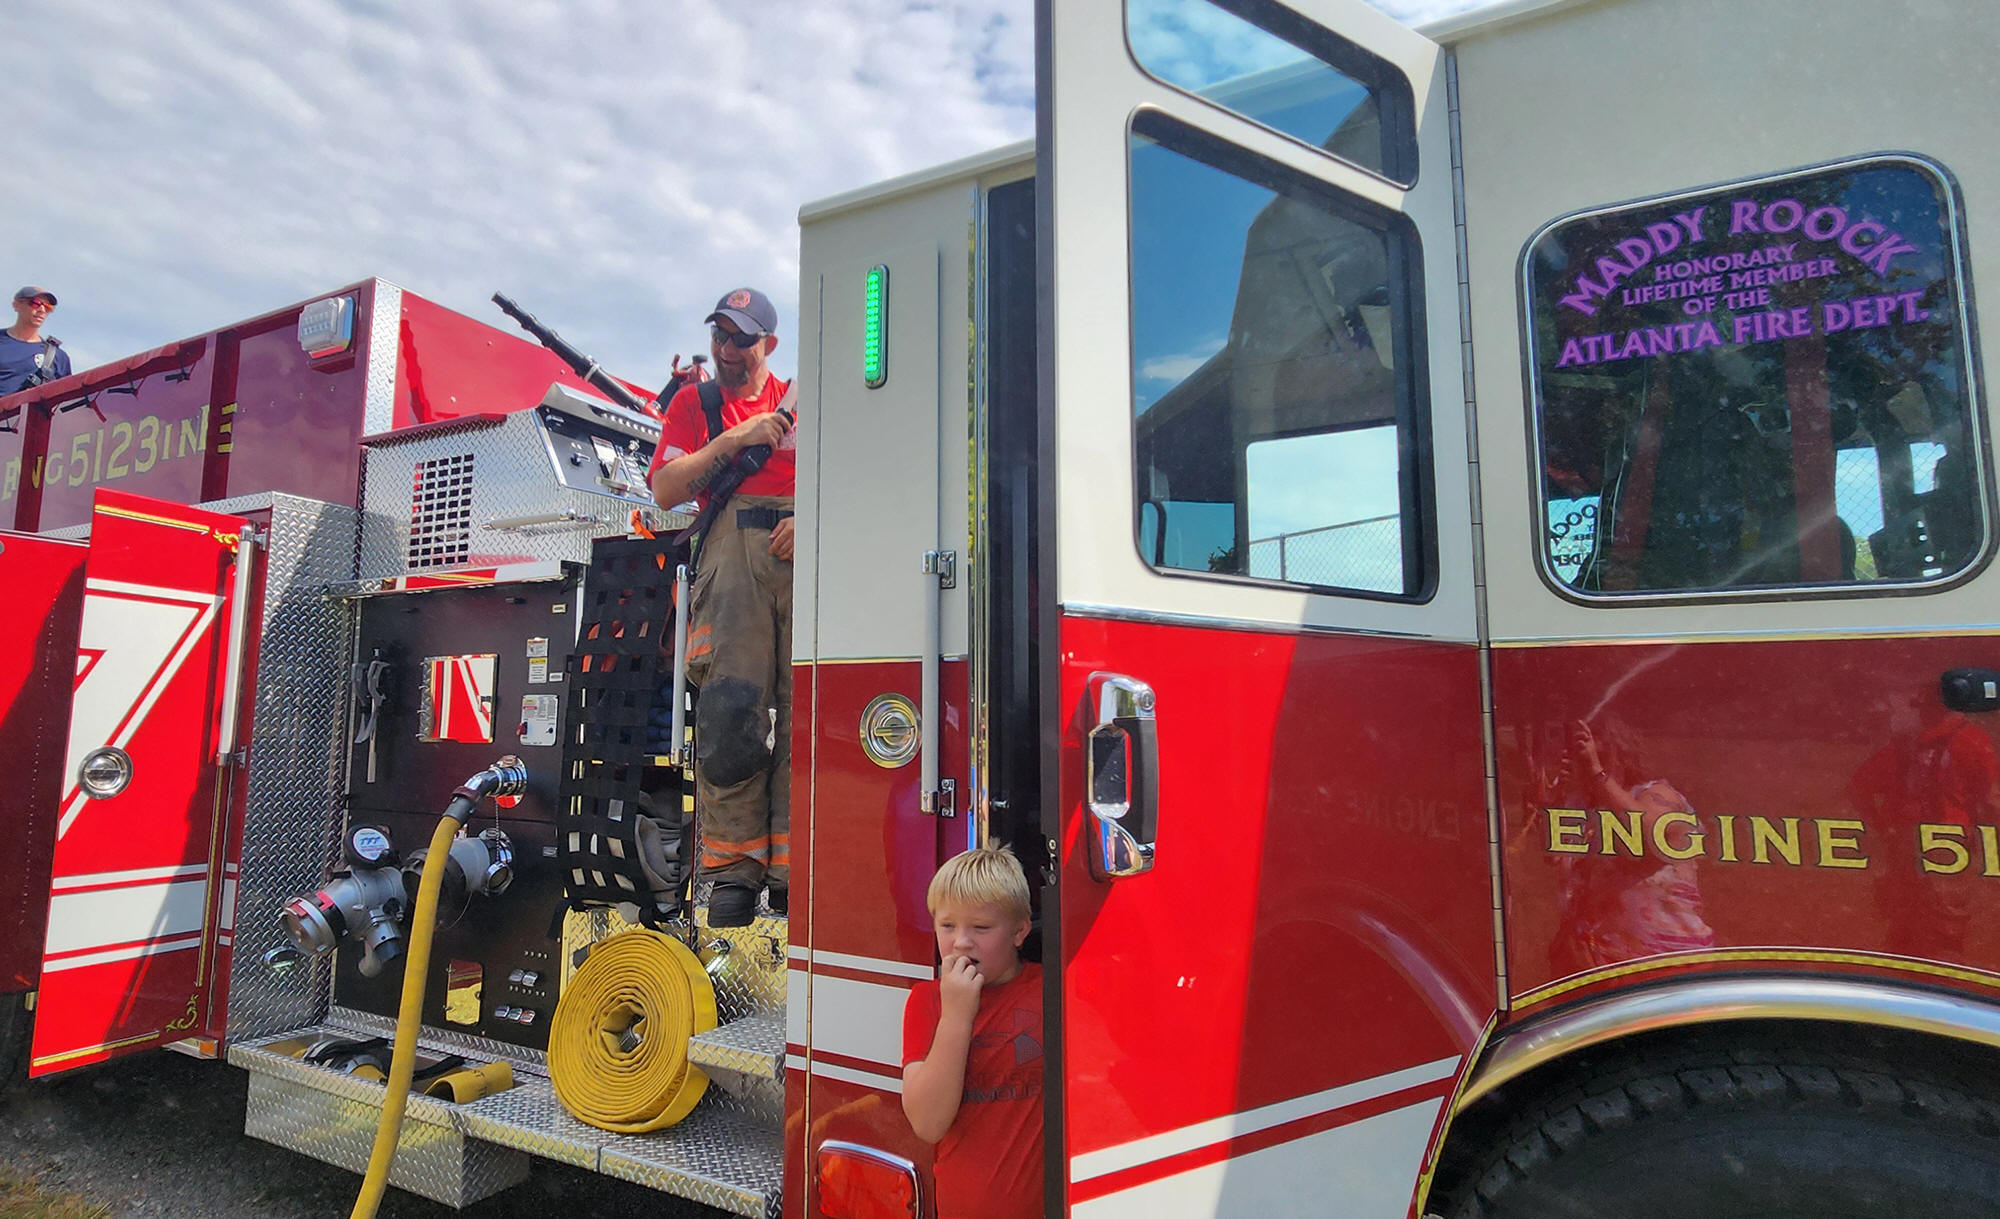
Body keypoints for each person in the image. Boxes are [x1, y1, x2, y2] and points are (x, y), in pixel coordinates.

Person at [648, 287, 795, 928]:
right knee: (733, 712)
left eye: (743, 338)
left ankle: (791, 870)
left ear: (770, 344)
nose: (728, 349)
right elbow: (665, 490)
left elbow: (850, 479)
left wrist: (813, 520)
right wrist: (735, 437)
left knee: (806, 714)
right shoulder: (695, 404)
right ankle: (734, 872)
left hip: (802, 557)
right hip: (728, 561)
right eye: (720, 335)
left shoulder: (804, 403)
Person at [901, 847, 1043, 1219]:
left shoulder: (1049, 991)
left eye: (981, 928)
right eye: (948, 926)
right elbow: (928, 1124)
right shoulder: (927, 1002)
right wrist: (956, 1015)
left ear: (1019, 931)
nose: (962, 942)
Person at [0, 286, 70, 396]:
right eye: (35, 303)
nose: (42, 310)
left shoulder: (57, 357)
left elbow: (66, 398)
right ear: (16, 304)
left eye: (48, 307)